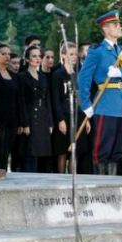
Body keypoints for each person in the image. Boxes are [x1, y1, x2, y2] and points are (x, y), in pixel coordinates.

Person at [78, 10, 122, 175]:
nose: (120, 27)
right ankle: (101, 184)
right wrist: (86, 104)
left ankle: (112, 182)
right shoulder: (97, 51)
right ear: (106, 28)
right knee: (103, 148)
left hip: (121, 105)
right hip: (105, 103)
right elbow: (83, 78)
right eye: (116, 25)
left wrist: (120, 74)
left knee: (117, 149)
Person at [51, 42, 91, 174]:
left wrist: (86, 118)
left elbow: (83, 97)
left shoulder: (80, 74)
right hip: (64, 115)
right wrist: (60, 119)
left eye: (75, 54)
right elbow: (55, 99)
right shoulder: (57, 75)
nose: (74, 57)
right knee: (62, 152)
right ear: (63, 55)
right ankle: (61, 179)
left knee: (76, 152)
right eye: (70, 54)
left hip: (78, 115)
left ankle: (73, 178)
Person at [18, 45, 53, 173]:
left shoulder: (43, 77)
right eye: (34, 56)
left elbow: (47, 100)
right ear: (27, 59)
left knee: (42, 151)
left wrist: (50, 122)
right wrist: (25, 123)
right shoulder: (22, 77)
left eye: (39, 56)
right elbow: (21, 101)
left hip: (43, 115)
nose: (37, 59)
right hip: (30, 115)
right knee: (30, 151)